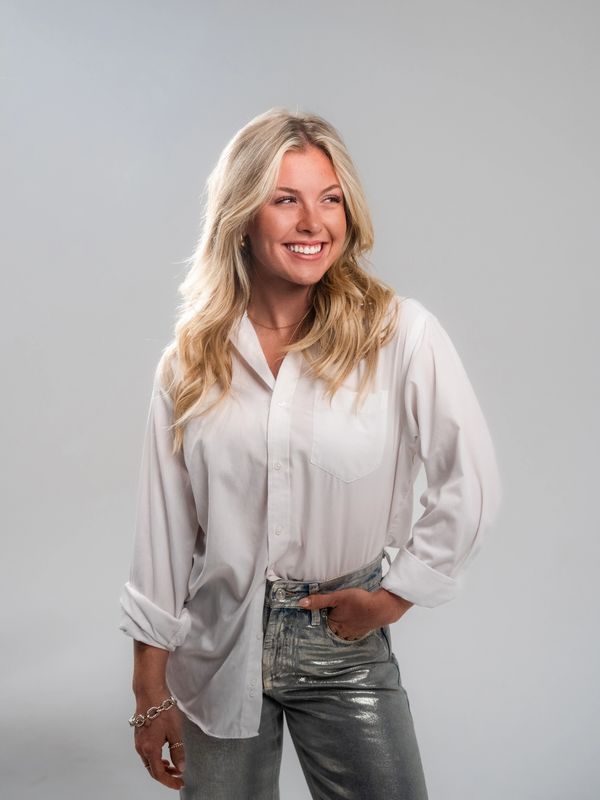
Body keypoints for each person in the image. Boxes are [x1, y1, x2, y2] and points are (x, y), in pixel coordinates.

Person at [119, 107, 502, 800]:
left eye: (330, 200)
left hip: (340, 645)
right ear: (241, 215)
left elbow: (469, 485)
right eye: (285, 199)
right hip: (216, 648)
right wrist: (150, 692)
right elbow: (165, 541)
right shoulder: (190, 362)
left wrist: (392, 598)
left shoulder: (399, 335)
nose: (313, 222)